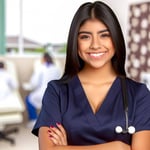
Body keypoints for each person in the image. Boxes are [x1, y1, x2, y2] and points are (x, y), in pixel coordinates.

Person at [32, 1, 150, 150]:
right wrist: (118, 147)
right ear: (76, 41)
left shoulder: (139, 94)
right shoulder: (57, 91)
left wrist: (66, 148)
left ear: (116, 38)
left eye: (104, 35)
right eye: (85, 37)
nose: (95, 44)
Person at [25, 52, 61, 127]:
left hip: (43, 93)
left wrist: (30, 85)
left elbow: (34, 83)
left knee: (28, 99)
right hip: (55, 93)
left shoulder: (41, 68)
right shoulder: (57, 69)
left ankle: (34, 120)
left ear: (44, 59)